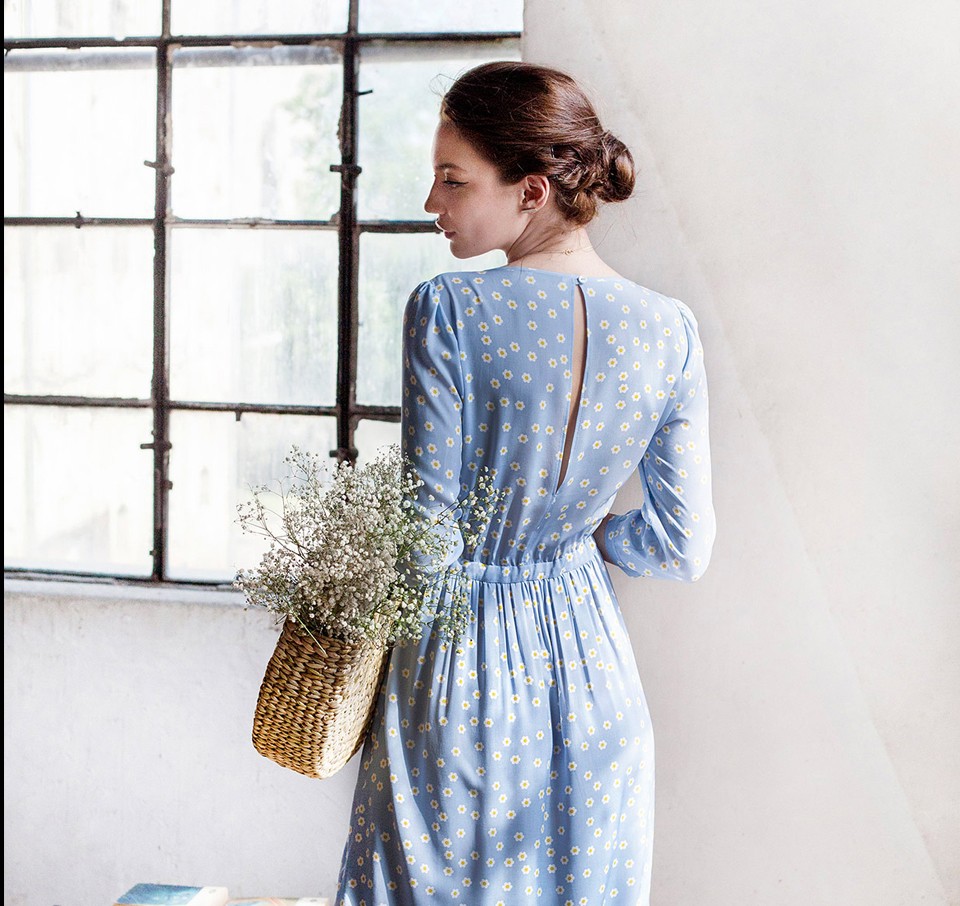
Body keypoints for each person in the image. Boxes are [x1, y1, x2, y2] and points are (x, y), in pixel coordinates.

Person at [336, 61, 716, 906]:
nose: (432, 201)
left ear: (532, 189)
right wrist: (588, 537)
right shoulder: (671, 330)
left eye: (453, 179)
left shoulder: (449, 309)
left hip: (461, 674)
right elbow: (682, 544)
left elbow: (428, 542)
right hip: (595, 679)